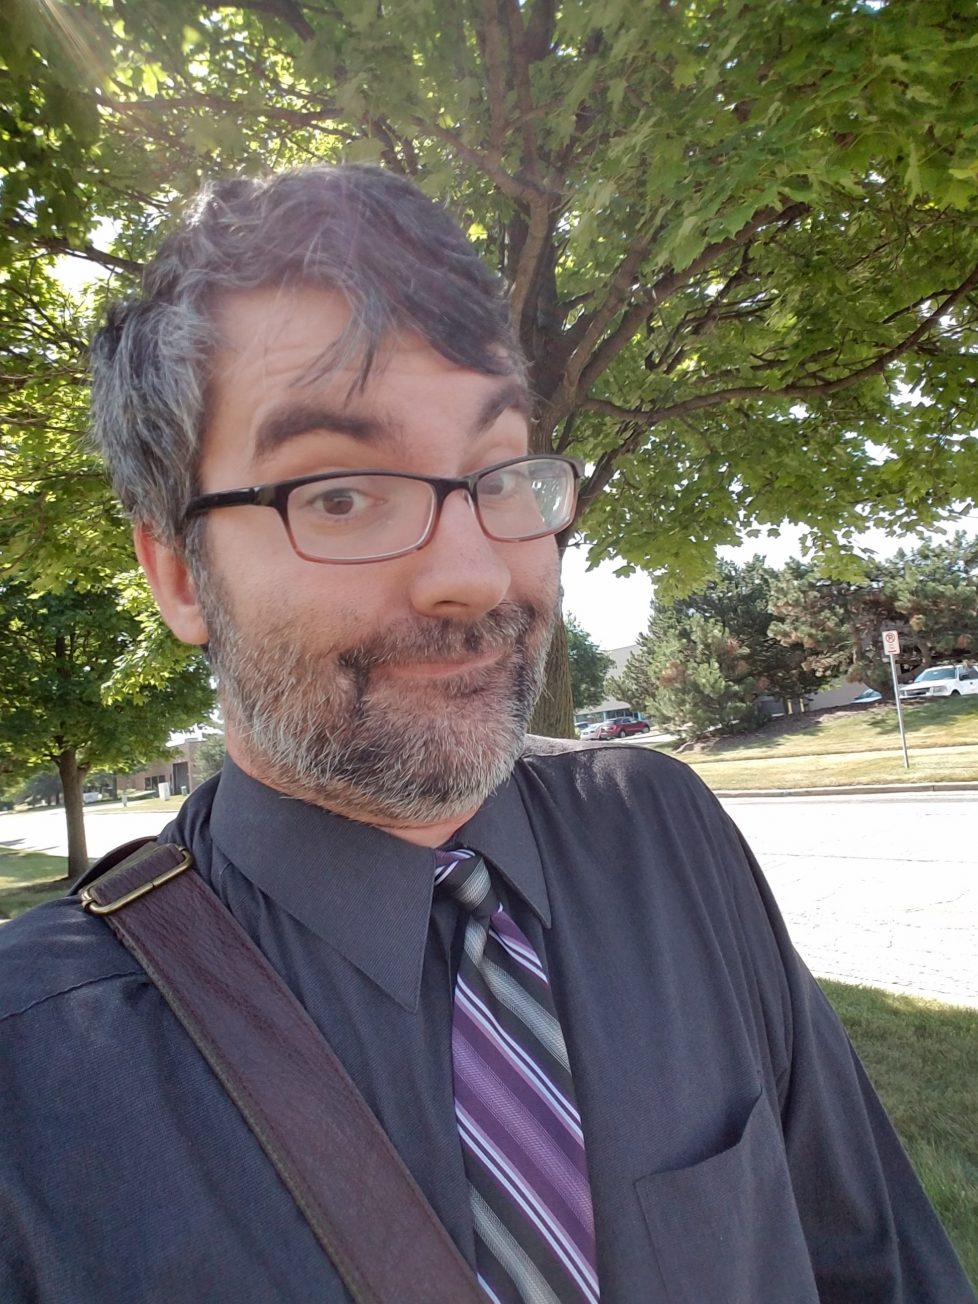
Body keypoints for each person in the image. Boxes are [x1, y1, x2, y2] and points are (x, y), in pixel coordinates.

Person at [0, 165, 972, 1304]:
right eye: (340, 492)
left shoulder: (665, 833)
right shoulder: (35, 1065)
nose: (474, 572)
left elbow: (873, 1262)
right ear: (176, 572)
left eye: (500, 475)